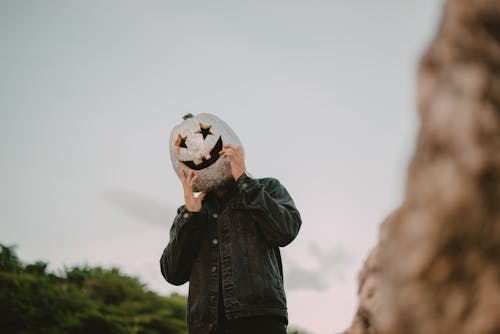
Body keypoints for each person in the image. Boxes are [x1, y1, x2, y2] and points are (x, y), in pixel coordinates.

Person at [160, 143, 302, 334]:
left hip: (260, 321)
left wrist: (244, 181)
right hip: (206, 327)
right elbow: (173, 273)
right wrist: (191, 215)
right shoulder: (189, 211)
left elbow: (286, 230)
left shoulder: (267, 188)